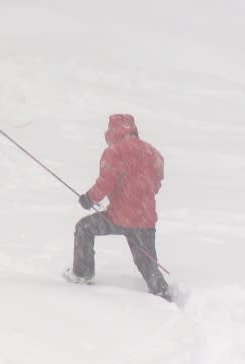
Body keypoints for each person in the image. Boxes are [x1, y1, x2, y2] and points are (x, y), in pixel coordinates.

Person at [64, 114, 171, 301]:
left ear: (114, 131)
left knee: (85, 228)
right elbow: (157, 179)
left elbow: (106, 182)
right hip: (145, 219)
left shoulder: (115, 152)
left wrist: (89, 198)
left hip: (119, 217)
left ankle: (82, 274)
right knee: (146, 262)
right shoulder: (151, 152)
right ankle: (161, 292)